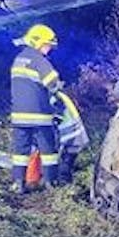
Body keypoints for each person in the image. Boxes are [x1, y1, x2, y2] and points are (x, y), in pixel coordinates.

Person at [9, 24, 64, 192]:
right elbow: (53, 82)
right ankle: (50, 183)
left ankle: (19, 183)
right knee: (48, 150)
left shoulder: (19, 59)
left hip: (19, 115)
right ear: (38, 43)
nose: (49, 49)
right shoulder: (40, 60)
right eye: (48, 45)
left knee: (20, 151)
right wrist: (59, 89)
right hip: (40, 115)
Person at [55, 91, 89, 182]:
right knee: (67, 163)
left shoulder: (54, 98)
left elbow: (56, 119)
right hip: (74, 136)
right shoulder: (59, 95)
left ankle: (64, 185)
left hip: (69, 137)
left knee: (64, 164)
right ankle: (66, 184)